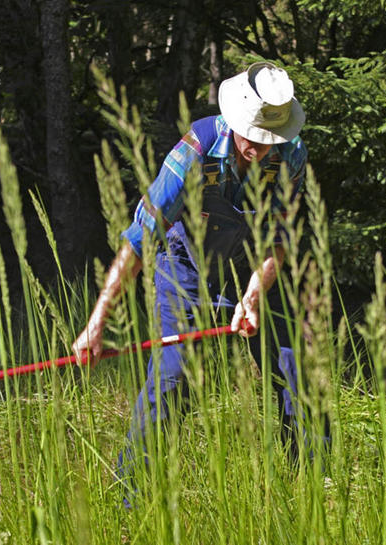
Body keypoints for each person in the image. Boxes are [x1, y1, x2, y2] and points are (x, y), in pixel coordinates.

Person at [72, 61, 329, 502]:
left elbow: (280, 238)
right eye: (254, 137)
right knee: (174, 378)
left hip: (253, 271)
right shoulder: (196, 147)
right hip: (184, 271)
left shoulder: (292, 154)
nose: (261, 149)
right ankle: (130, 497)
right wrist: (97, 322)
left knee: (294, 369)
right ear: (235, 119)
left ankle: (313, 489)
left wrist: (252, 294)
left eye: (271, 140)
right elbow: (140, 238)